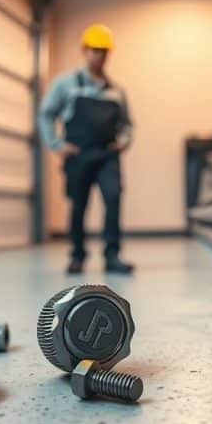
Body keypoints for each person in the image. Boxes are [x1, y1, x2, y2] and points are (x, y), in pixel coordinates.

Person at [39, 23, 135, 275]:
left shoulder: (116, 91)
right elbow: (46, 114)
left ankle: (112, 255)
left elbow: (127, 124)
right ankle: (77, 256)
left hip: (107, 156)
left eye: (104, 51)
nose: (99, 55)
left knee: (113, 198)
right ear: (84, 50)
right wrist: (57, 144)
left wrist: (124, 141)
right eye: (95, 50)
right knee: (78, 204)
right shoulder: (66, 84)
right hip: (78, 155)